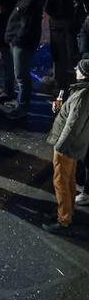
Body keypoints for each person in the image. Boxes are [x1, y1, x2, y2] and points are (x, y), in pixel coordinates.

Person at [44, 59, 89, 235]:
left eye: (78, 69)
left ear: (84, 73)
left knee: (60, 181)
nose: (76, 71)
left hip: (67, 146)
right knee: (69, 180)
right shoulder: (83, 92)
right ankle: (68, 211)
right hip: (75, 145)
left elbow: (72, 124)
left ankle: (63, 219)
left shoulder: (82, 94)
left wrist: (60, 146)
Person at [5, 0, 44, 121]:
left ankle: (22, 107)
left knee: (21, 76)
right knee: (19, 74)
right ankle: (20, 102)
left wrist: (15, 40)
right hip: (18, 42)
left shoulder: (31, 2)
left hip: (22, 44)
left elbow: (26, 27)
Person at [45, 0, 83, 94]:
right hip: (62, 18)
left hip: (62, 19)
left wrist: (54, 10)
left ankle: (62, 86)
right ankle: (61, 83)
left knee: (62, 52)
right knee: (62, 52)